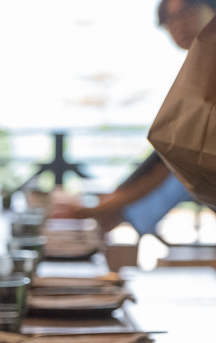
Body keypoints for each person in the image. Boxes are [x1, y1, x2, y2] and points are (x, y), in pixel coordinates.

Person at [55, 0, 216, 234]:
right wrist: (104, 205)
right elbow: (168, 151)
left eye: (186, 12)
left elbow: (170, 157)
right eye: (169, 19)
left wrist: (98, 208)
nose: (178, 24)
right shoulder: (199, 71)